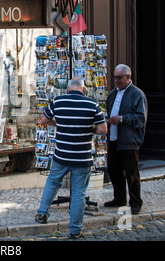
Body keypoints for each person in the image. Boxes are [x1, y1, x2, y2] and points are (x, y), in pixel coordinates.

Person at [35, 78, 107, 239]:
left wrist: (59, 124)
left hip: (62, 155)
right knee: (79, 193)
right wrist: (90, 128)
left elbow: (44, 120)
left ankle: (42, 213)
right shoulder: (92, 104)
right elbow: (103, 129)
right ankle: (75, 230)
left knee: (52, 182)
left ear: (68, 89)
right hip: (82, 157)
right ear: (83, 88)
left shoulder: (58, 101)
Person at [105, 64, 148, 215]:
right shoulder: (112, 94)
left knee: (132, 173)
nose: (116, 80)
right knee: (113, 169)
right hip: (114, 138)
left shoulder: (137, 94)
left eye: (119, 78)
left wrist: (122, 119)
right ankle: (119, 198)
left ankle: (135, 202)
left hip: (129, 140)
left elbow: (140, 118)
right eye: (115, 77)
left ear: (128, 77)